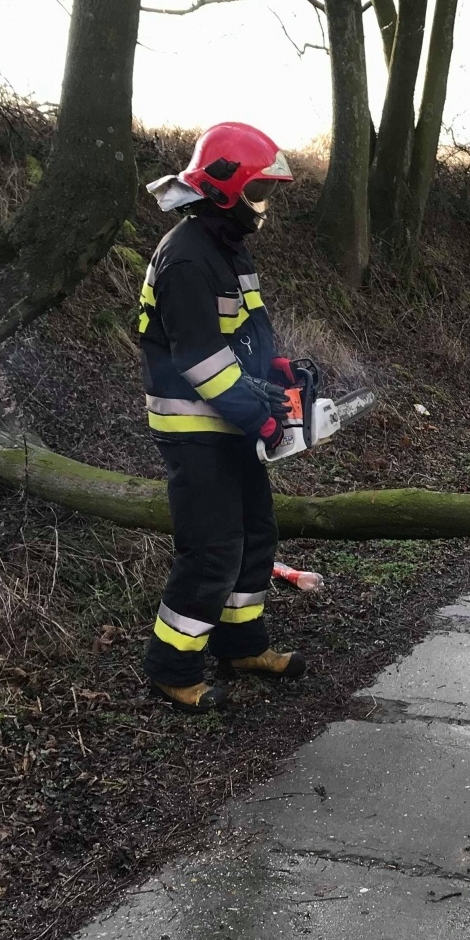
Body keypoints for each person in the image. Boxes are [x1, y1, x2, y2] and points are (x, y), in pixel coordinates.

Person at [136, 122, 310, 711]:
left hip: (227, 425)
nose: (264, 205)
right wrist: (257, 413)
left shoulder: (227, 249)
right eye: (258, 191)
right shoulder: (187, 258)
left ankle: (242, 645)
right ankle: (172, 668)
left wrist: (276, 372)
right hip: (195, 431)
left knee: (255, 535)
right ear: (222, 190)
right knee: (210, 550)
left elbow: (246, 335)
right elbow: (201, 360)